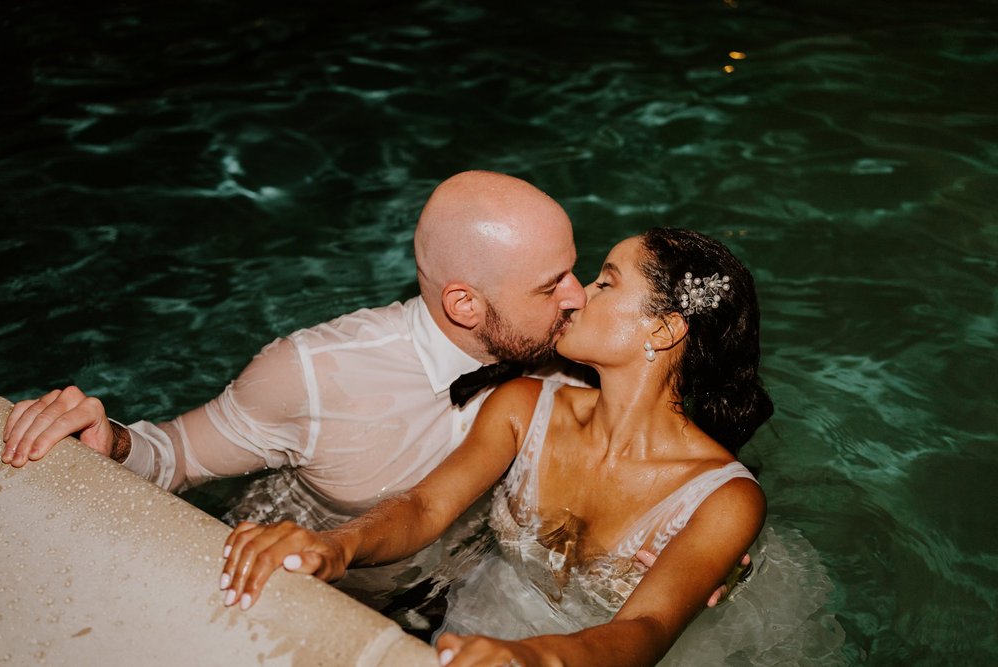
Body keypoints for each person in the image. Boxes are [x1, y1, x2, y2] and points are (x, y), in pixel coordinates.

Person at [217, 228, 774, 666]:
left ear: (663, 331)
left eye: (606, 283)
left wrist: (532, 659)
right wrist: (336, 546)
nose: (577, 295)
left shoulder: (722, 501)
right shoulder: (524, 405)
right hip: (472, 637)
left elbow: (644, 631)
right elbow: (426, 505)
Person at [0, 170, 586, 525]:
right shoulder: (313, 372)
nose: (578, 297)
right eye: (550, 284)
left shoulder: (575, 349)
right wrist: (112, 439)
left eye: (574, 272)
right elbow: (176, 457)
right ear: (464, 306)